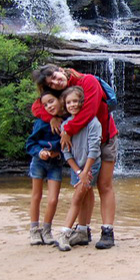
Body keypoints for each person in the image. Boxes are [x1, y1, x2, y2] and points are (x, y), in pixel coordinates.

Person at [31, 64, 118, 249]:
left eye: (54, 76)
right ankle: (82, 231)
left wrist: (67, 130)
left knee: (104, 184)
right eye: (51, 84)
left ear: (60, 69)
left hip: (105, 137)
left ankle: (107, 231)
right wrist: (51, 118)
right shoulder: (62, 93)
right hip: (80, 144)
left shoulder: (88, 81)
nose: (55, 82)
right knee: (85, 187)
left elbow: (90, 111)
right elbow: (37, 107)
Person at [53, 86, 102, 252]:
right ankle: (81, 231)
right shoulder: (66, 125)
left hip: (91, 165)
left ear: (82, 102)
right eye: (68, 102)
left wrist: (86, 171)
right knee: (83, 197)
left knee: (77, 198)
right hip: (77, 168)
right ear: (64, 105)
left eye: (75, 101)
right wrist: (78, 172)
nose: (72, 104)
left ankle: (65, 233)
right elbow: (66, 152)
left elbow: (94, 149)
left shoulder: (93, 123)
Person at [25, 90, 64, 246]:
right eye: (45, 104)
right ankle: (34, 230)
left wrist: (58, 153)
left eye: (51, 102)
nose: (49, 106)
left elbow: (70, 143)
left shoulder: (65, 121)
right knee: (36, 195)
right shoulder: (41, 123)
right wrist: (40, 152)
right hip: (38, 161)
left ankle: (47, 230)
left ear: (60, 100)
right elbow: (30, 144)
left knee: (53, 199)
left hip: (56, 163)